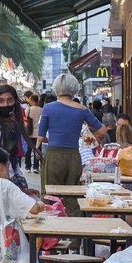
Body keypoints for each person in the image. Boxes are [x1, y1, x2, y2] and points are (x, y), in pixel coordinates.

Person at [36, 73, 107, 216]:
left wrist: (50, 141)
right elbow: (103, 130)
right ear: (75, 89)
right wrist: (90, 138)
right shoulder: (82, 110)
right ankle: (75, 236)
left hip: (54, 156)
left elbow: (41, 136)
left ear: (56, 88)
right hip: (74, 156)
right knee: (73, 195)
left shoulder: (48, 108)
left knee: (50, 194)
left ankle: (51, 234)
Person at [25, 94, 43, 173]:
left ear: (32, 101)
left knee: (28, 151)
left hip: (29, 133)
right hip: (38, 133)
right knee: (37, 150)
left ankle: (28, 167)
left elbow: (24, 121)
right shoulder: (41, 110)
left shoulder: (28, 109)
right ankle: (36, 167)